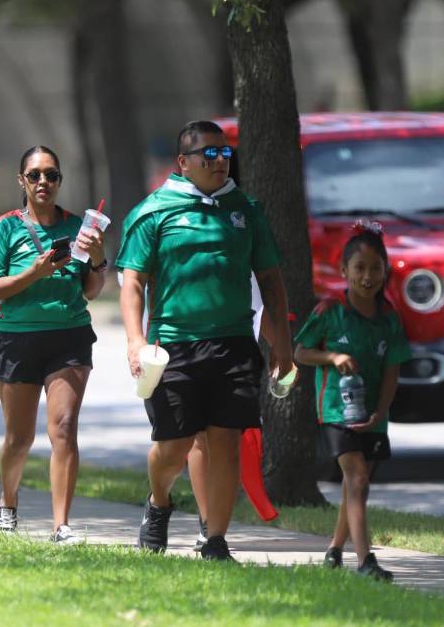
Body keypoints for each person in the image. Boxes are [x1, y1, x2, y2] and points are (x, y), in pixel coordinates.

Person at [117, 120, 293, 561]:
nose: (219, 161)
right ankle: (159, 502)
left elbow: (271, 281)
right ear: (183, 162)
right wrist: (135, 341)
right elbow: (133, 282)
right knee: (173, 446)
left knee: (226, 442)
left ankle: (214, 540)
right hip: (174, 346)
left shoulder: (246, 210)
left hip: (233, 343)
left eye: (224, 153)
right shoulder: (153, 211)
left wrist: (283, 346)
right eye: (208, 155)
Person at [0, 145, 109, 544]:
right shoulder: (5, 228)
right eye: (34, 175)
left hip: (68, 335)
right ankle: (8, 503)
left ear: (59, 182)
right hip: (18, 338)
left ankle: (61, 525)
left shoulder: (77, 228)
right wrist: (35, 273)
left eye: (51, 175)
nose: (43, 182)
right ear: (22, 181)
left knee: (65, 429)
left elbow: (90, 291)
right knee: (19, 439)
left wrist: (99, 260)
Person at [293, 223, 408, 581]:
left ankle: (335, 549)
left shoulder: (390, 319)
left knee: (356, 485)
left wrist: (381, 411)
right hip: (336, 411)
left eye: (375, 268)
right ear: (344, 272)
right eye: (359, 268)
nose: (368, 276)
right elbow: (300, 351)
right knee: (356, 479)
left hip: (373, 414)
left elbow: (392, 371)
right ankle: (365, 562)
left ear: (385, 270)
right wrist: (333, 358)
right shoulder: (330, 310)